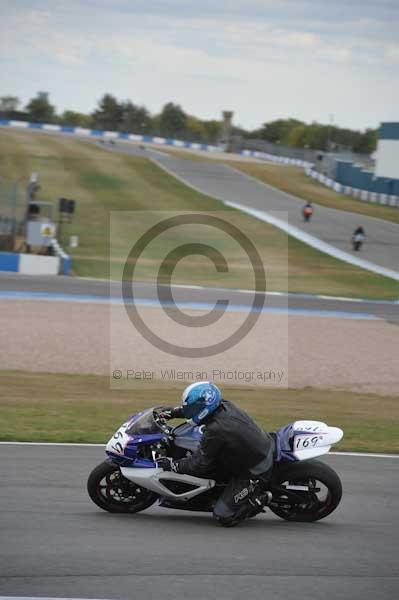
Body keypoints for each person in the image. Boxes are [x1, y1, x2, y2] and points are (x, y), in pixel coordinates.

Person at [157, 381, 274, 527]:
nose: (189, 409)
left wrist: (173, 465)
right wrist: (173, 413)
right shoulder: (223, 404)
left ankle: (260, 498)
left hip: (254, 471)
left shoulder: (216, 430)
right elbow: (196, 409)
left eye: (192, 407)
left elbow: (197, 465)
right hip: (255, 450)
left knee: (223, 516)